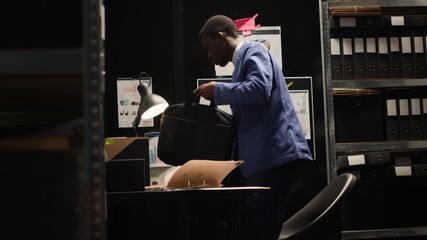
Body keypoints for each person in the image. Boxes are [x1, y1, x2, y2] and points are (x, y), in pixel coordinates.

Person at [193, 15, 314, 240]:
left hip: (273, 155)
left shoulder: (253, 51)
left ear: (220, 37)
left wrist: (218, 90)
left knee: (261, 229)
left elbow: (259, 88)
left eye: (209, 49)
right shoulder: (242, 63)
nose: (209, 56)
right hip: (263, 158)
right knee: (254, 226)